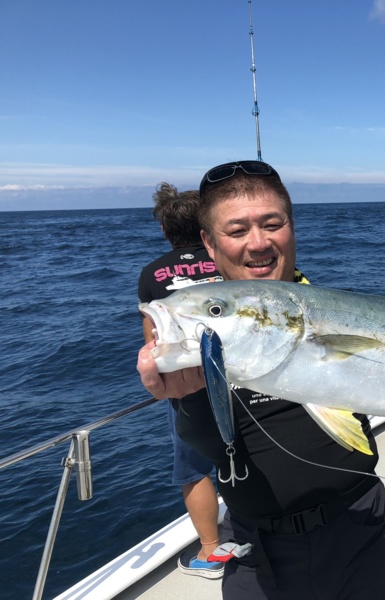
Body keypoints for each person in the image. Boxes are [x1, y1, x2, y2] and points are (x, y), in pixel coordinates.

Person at [137, 161, 385, 600]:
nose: (259, 243)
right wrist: (188, 398)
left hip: (363, 531)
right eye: (237, 230)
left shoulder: (338, 310)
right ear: (208, 242)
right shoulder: (209, 337)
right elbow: (212, 452)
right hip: (260, 552)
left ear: (291, 226)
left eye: (273, 224)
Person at [138, 183, 224, 579]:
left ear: (165, 230)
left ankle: (211, 549)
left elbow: (154, 338)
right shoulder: (224, 260)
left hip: (189, 386)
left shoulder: (153, 272)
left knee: (194, 469)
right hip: (239, 377)